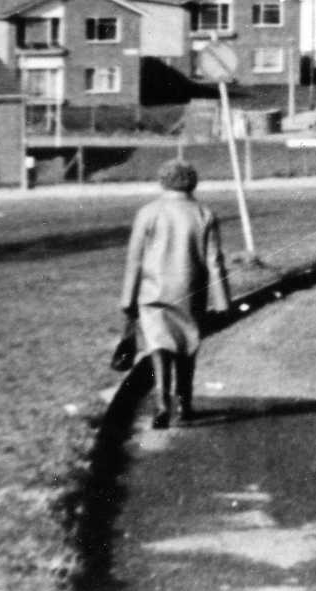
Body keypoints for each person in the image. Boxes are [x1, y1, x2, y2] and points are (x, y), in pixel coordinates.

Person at [120, 159, 234, 430]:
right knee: (187, 347)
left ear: (162, 181)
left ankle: (162, 401)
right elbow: (214, 260)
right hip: (190, 292)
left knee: (158, 346)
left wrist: (127, 299)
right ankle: (185, 402)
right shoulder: (204, 213)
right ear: (192, 182)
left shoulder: (148, 213)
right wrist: (222, 300)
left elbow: (134, 260)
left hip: (152, 292)